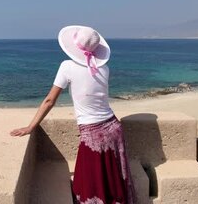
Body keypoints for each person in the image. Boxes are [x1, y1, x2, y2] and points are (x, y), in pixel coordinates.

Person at [10, 25, 135, 204]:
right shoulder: (105, 69)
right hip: (114, 128)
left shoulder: (67, 66)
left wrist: (31, 126)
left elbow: (49, 100)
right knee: (112, 183)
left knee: (91, 187)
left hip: (93, 135)